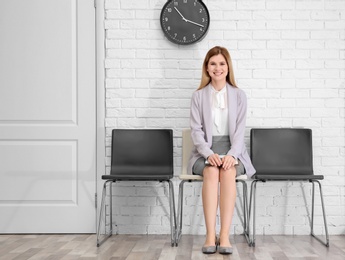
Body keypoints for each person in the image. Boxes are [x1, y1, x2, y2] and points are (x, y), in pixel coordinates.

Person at [188, 46, 255, 254]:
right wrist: (209, 154)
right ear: (207, 68)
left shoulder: (239, 95)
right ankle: (210, 235)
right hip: (204, 152)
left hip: (235, 151)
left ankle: (224, 235)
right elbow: (196, 132)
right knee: (211, 170)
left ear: (228, 67)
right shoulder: (198, 96)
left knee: (228, 172)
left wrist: (232, 155)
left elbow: (239, 133)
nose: (218, 68)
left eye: (222, 63)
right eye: (213, 64)